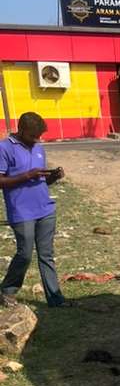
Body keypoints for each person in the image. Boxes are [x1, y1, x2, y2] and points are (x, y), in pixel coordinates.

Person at [0, 112, 67, 307]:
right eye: (32, 136)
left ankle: (56, 299)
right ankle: (7, 291)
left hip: (45, 209)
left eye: (39, 136)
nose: (37, 140)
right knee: (25, 253)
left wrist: (53, 177)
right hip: (21, 211)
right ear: (21, 131)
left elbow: (40, 181)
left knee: (46, 255)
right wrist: (27, 175)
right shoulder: (4, 148)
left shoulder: (38, 147)